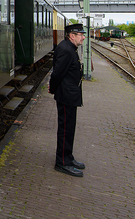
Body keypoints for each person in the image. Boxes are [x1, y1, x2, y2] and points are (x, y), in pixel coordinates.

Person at [49, 23, 86, 177]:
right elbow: (57, 74)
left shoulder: (69, 48)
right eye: (81, 35)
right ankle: (62, 162)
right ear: (72, 35)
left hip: (70, 94)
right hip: (66, 95)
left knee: (70, 128)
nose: (83, 37)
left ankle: (68, 157)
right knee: (65, 129)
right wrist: (53, 89)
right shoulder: (66, 50)